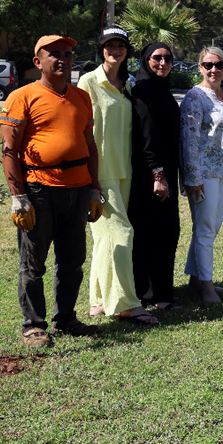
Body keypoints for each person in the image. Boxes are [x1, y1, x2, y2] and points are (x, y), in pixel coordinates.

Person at [0, 35, 106, 348]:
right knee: (33, 264)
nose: (62, 60)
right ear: (38, 62)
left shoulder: (81, 97)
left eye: (67, 54)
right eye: (53, 55)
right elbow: (9, 150)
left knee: (73, 260)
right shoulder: (22, 97)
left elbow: (90, 146)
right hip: (39, 190)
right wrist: (18, 197)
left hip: (77, 188)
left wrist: (95, 189)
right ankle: (33, 326)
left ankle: (66, 319)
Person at [80, 28, 157, 326]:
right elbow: (83, 130)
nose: (115, 50)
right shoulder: (88, 81)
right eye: (109, 45)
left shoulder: (128, 84)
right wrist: (89, 178)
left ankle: (98, 300)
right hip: (99, 173)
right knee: (121, 235)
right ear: (100, 49)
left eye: (121, 45)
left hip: (125, 172)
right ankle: (126, 304)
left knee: (104, 240)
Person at [180, 47, 223, 304]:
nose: (213, 70)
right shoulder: (194, 97)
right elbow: (188, 141)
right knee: (205, 229)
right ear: (199, 67)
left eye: (218, 64)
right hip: (204, 173)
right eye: (207, 65)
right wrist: (193, 178)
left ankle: (196, 279)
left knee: (211, 229)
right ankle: (206, 286)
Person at [129, 42, 183, 311]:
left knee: (167, 232)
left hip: (166, 172)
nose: (163, 63)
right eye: (156, 58)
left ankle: (161, 291)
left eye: (168, 59)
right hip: (150, 175)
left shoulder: (162, 90)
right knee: (151, 234)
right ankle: (150, 294)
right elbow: (147, 136)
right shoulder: (143, 90)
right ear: (144, 60)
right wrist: (157, 175)